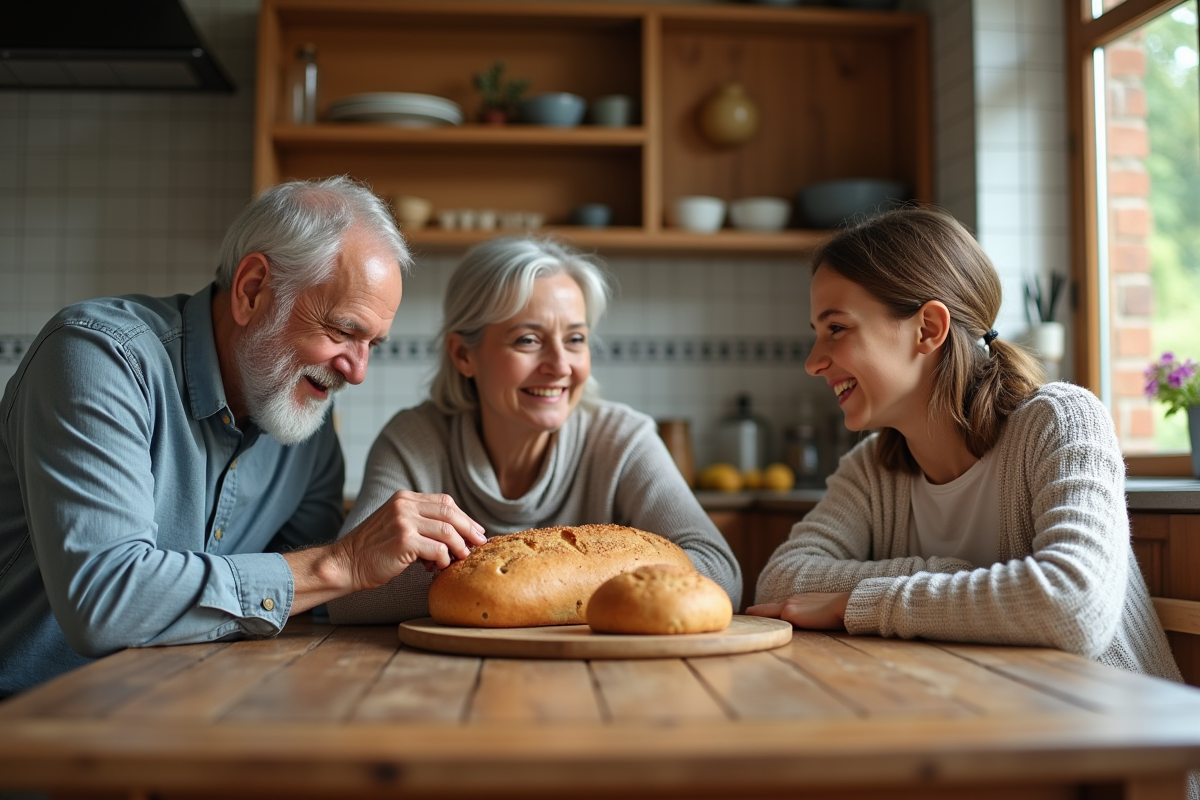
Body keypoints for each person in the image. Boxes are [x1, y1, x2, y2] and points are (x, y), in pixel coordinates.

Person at [0, 176, 485, 698]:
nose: (358, 371)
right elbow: (105, 601)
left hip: (179, 712)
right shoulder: (100, 359)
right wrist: (341, 563)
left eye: (373, 344)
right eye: (343, 331)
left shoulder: (303, 419)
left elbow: (308, 599)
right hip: (31, 720)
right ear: (252, 290)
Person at [748, 207, 1182, 685]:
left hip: (1113, 724)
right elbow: (781, 580)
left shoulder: (1061, 422)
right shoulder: (871, 470)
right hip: (991, 719)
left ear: (928, 329)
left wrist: (863, 601)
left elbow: (1074, 606)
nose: (813, 363)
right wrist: (952, 574)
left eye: (836, 329)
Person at [328, 237, 742, 623]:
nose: (560, 366)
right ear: (463, 354)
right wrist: (533, 585)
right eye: (528, 340)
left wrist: (542, 581)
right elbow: (350, 594)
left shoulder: (623, 440)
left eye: (575, 339)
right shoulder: (414, 441)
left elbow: (721, 573)